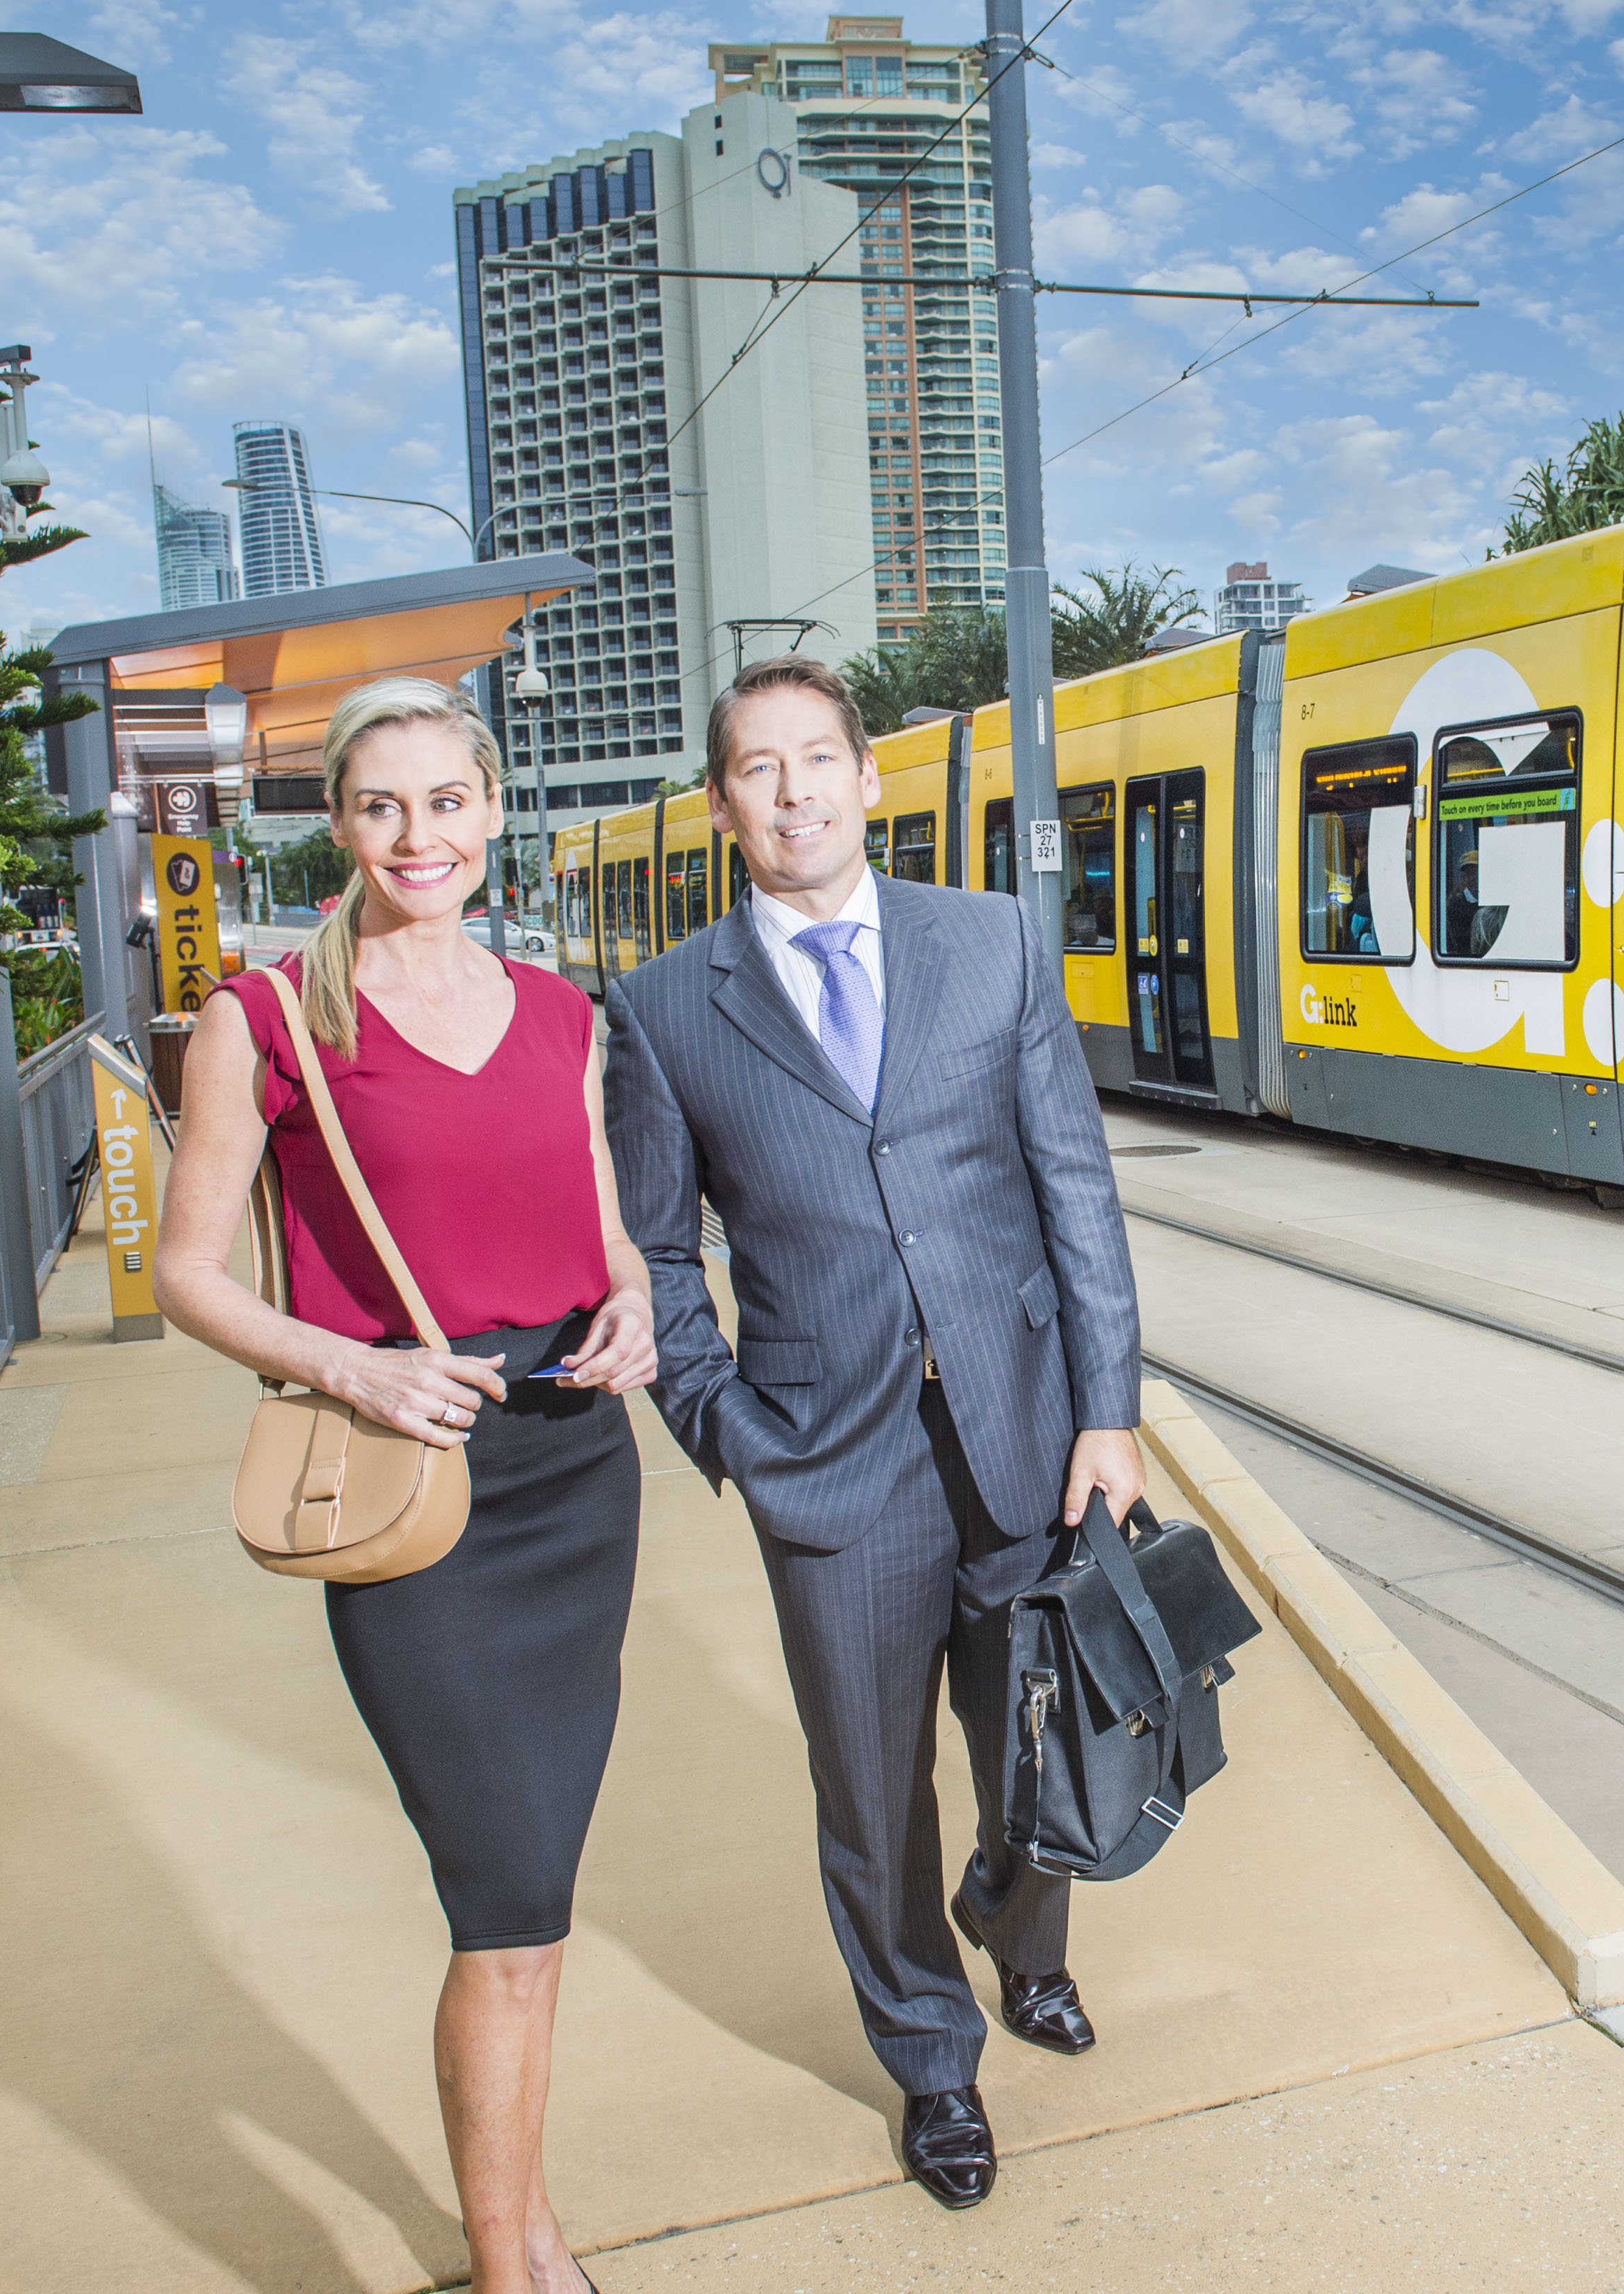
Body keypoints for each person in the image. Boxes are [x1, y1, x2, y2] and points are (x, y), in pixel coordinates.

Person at [602, 655, 1141, 2215]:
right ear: (722, 806)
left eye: (817, 760)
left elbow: (1075, 1192)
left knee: (1045, 1732)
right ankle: (932, 2057)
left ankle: (1022, 1932)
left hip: (1028, 1427)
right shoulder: (662, 1007)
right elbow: (653, 1247)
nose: (792, 793)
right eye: (757, 771)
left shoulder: (991, 941)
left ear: (869, 777)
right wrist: (720, 1422)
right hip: (825, 1453)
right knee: (868, 1779)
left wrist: (1109, 1408)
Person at [152, 676, 655, 2294]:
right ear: (340, 822)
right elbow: (186, 1275)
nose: (416, 834)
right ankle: (509, 2265)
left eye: (446, 801)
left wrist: (641, 1291)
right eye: (382, 805)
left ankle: (521, 2214)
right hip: (408, 1481)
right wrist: (349, 1363)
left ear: (494, 813)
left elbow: (597, 1213)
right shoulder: (269, 1017)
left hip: (576, 1467)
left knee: (542, 1898)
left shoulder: (567, 1012)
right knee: (502, 1889)